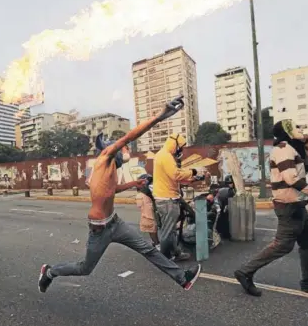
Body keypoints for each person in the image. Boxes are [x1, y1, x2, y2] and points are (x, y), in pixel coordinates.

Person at [38, 97, 202, 293]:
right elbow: (129, 137)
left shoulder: (110, 169)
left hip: (115, 223)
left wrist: (134, 183)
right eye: (122, 149)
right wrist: (160, 116)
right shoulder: (105, 157)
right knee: (85, 268)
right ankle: (50, 272)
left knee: (148, 249)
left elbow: (110, 190)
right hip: (99, 229)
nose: (125, 150)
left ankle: (182, 278)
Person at [234, 119, 308, 297]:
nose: (301, 130)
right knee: (283, 245)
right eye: (296, 127)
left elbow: (307, 172)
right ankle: (245, 271)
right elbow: (292, 179)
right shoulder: (283, 149)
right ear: (287, 131)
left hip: (297, 204)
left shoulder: (292, 148)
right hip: (289, 206)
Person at [152, 133, 207, 261]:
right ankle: (165, 259)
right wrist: (193, 171)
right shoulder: (165, 156)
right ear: (175, 144)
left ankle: (175, 253)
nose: (181, 150)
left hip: (169, 197)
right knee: (167, 232)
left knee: (170, 230)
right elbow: (176, 175)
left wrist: (192, 178)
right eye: (180, 147)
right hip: (167, 200)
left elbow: (173, 178)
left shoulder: (164, 155)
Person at [135, 174, 160, 248]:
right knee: (151, 226)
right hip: (148, 210)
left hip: (148, 210)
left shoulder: (143, 191)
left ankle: (155, 243)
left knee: (151, 227)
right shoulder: (146, 189)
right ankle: (157, 244)